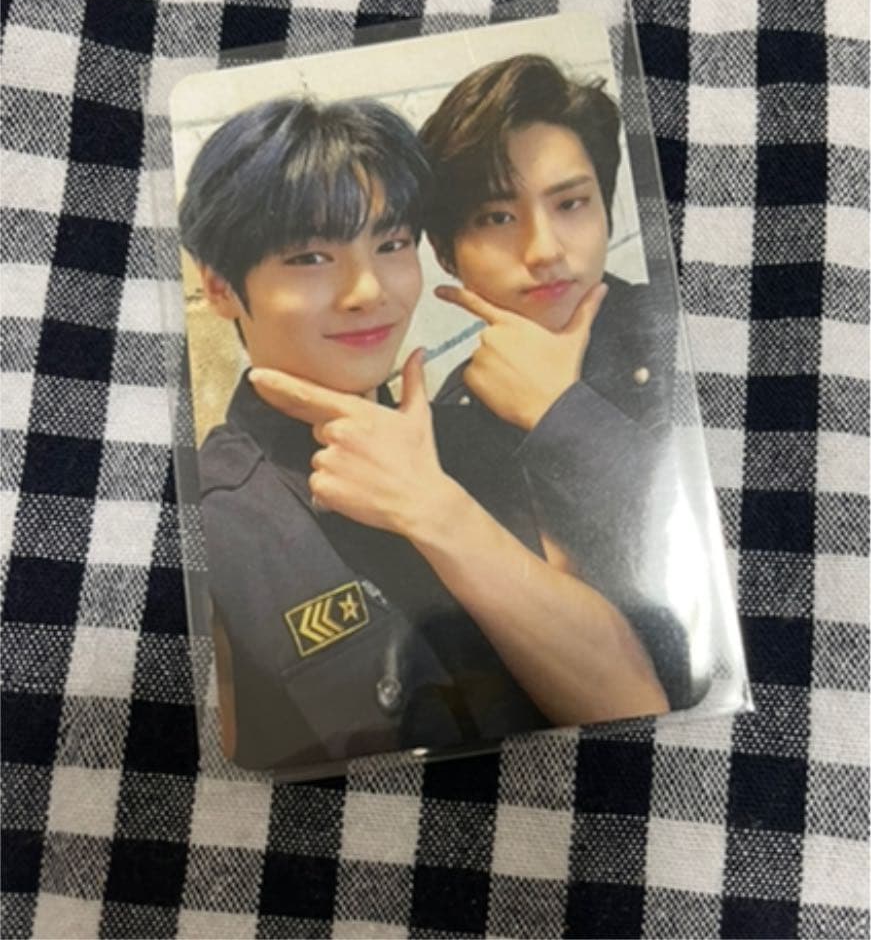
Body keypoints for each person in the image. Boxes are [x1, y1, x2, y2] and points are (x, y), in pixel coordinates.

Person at [177, 96, 668, 773]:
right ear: (220, 287)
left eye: (391, 245)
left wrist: (432, 506)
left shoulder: (473, 436)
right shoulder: (211, 520)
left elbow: (632, 701)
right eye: (311, 256)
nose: (367, 290)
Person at [418, 54, 708, 710]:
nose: (544, 248)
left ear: (606, 209)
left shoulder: (688, 335)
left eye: (571, 204)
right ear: (444, 251)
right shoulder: (445, 423)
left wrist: (558, 411)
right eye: (496, 217)